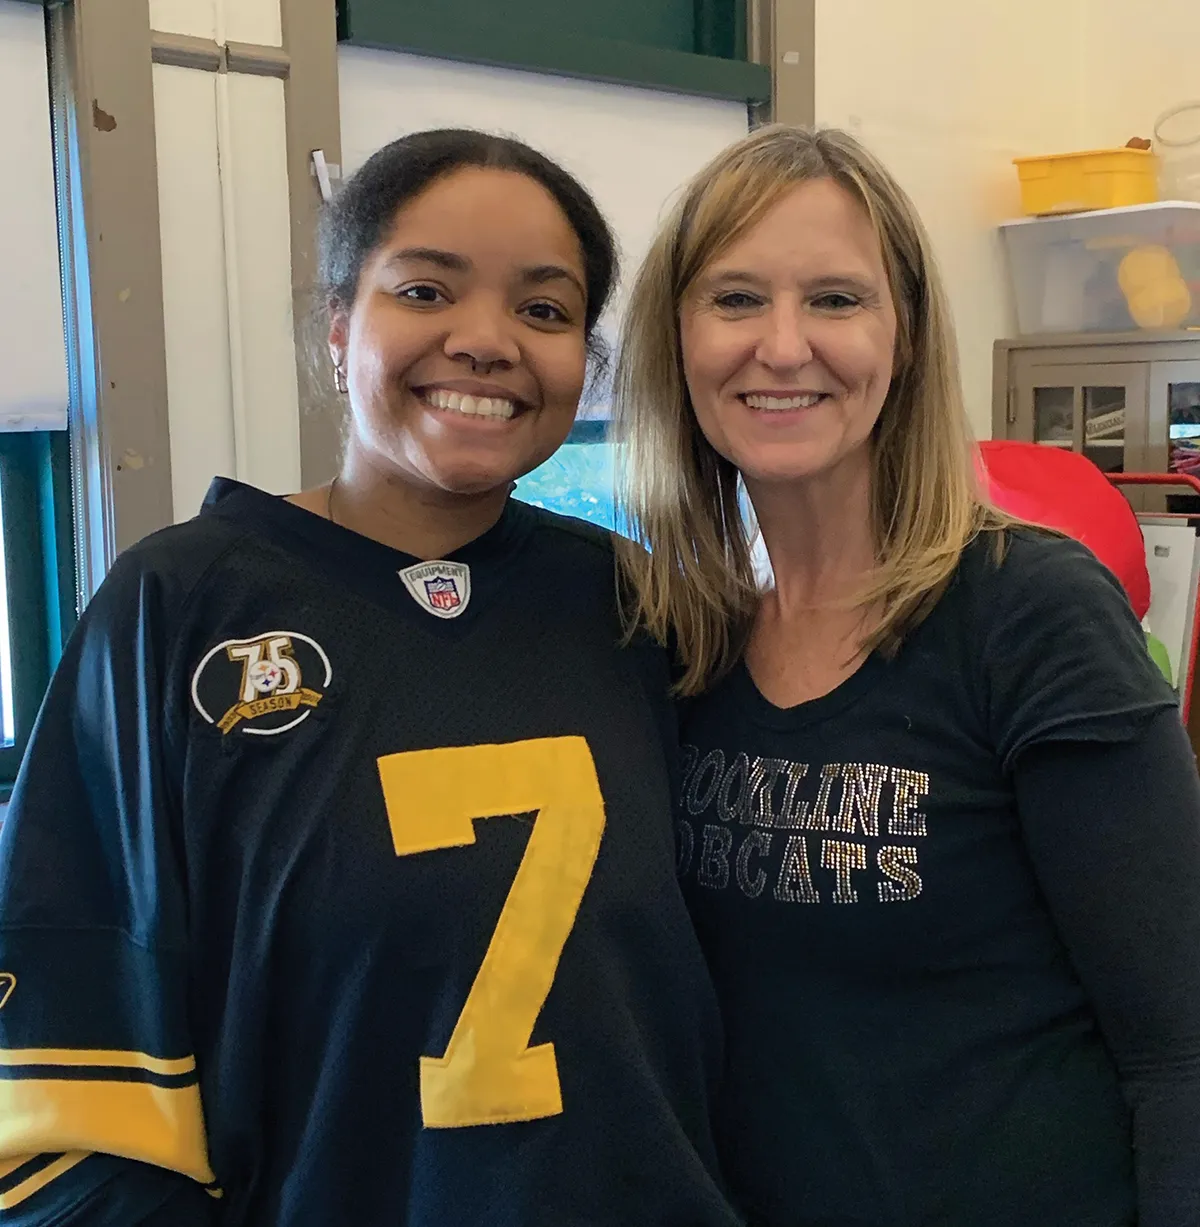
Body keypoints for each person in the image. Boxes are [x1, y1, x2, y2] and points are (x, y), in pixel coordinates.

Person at [0, 129, 741, 1227]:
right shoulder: (178, 607)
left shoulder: (637, 606)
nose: (486, 340)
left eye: (544, 310)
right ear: (339, 324)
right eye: (427, 288)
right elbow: (65, 1060)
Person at [614, 124, 1200, 1227]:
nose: (783, 348)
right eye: (735, 298)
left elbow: (1181, 1048)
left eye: (836, 299)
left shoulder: (1028, 612)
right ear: (675, 339)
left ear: (910, 336)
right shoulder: (680, 640)